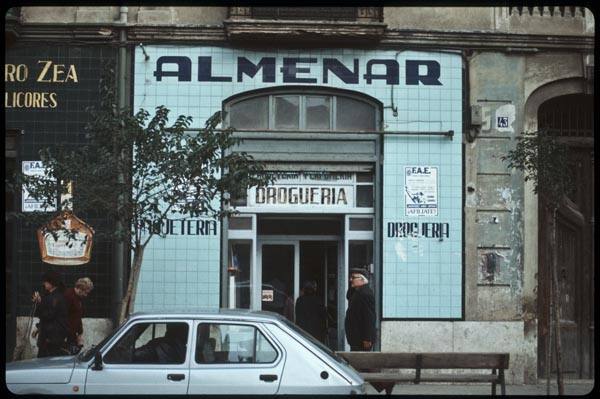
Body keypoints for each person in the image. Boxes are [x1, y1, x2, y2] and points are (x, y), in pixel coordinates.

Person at [31, 270, 69, 357]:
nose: (44, 283)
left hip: (51, 339)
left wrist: (39, 302)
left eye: (45, 281)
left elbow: (48, 315)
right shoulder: (52, 296)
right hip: (50, 337)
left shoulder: (56, 297)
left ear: (51, 283)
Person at [344, 267, 376, 351]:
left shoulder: (365, 294)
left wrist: (367, 338)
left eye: (353, 277)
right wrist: (352, 286)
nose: (351, 280)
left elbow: (369, 317)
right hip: (356, 338)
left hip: (362, 339)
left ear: (362, 279)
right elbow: (348, 296)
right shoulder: (358, 292)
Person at [64, 277, 94, 353]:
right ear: (80, 288)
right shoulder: (68, 296)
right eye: (86, 292)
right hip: (66, 335)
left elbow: (77, 317)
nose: (86, 295)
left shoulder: (78, 298)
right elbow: (63, 316)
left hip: (72, 335)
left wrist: (79, 334)